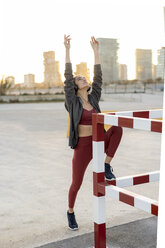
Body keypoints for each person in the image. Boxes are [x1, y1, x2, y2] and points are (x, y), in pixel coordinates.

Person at [63, 34, 123, 230]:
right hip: (82, 146)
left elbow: (99, 78)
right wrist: (67, 49)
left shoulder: (94, 98)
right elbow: (67, 75)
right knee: (76, 184)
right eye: (79, 79)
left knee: (117, 128)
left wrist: (96, 51)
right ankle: (70, 212)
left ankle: (107, 165)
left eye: (84, 77)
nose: (84, 79)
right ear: (74, 86)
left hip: (99, 142)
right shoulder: (73, 101)